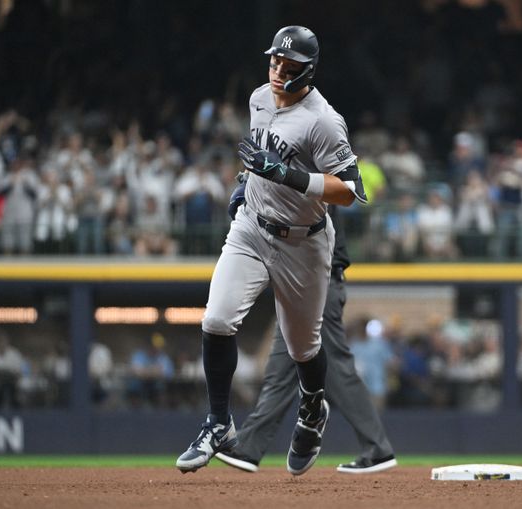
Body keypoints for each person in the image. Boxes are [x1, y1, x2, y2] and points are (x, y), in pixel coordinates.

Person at [176, 25, 367, 476]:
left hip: (303, 241)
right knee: (218, 319)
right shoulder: (259, 97)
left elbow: (351, 191)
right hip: (251, 229)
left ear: (309, 70)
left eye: (290, 65)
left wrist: (289, 176)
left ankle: (312, 408)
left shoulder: (322, 120)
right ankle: (219, 423)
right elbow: (259, 156)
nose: (279, 70)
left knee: (304, 348)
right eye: (275, 61)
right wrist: (247, 184)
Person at [215, 204, 396, 474]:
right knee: (279, 370)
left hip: (317, 281)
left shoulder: (310, 172)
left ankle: (378, 449)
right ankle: (249, 448)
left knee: (336, 366)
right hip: (292, 282)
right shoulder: (288, 175)